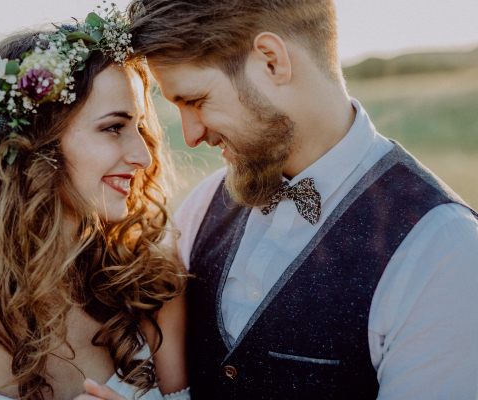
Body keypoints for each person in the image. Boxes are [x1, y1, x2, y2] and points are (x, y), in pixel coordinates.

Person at [108, 0, 476, 399]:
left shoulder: (445, 252)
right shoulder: (202, 205)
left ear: (271, 61)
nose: (192, 134)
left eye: (195, 101)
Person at [0, 9, 189, 400]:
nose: (144, 157)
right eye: (114, 127)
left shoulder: (153, 289)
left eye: (141, 129)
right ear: (35, 144)